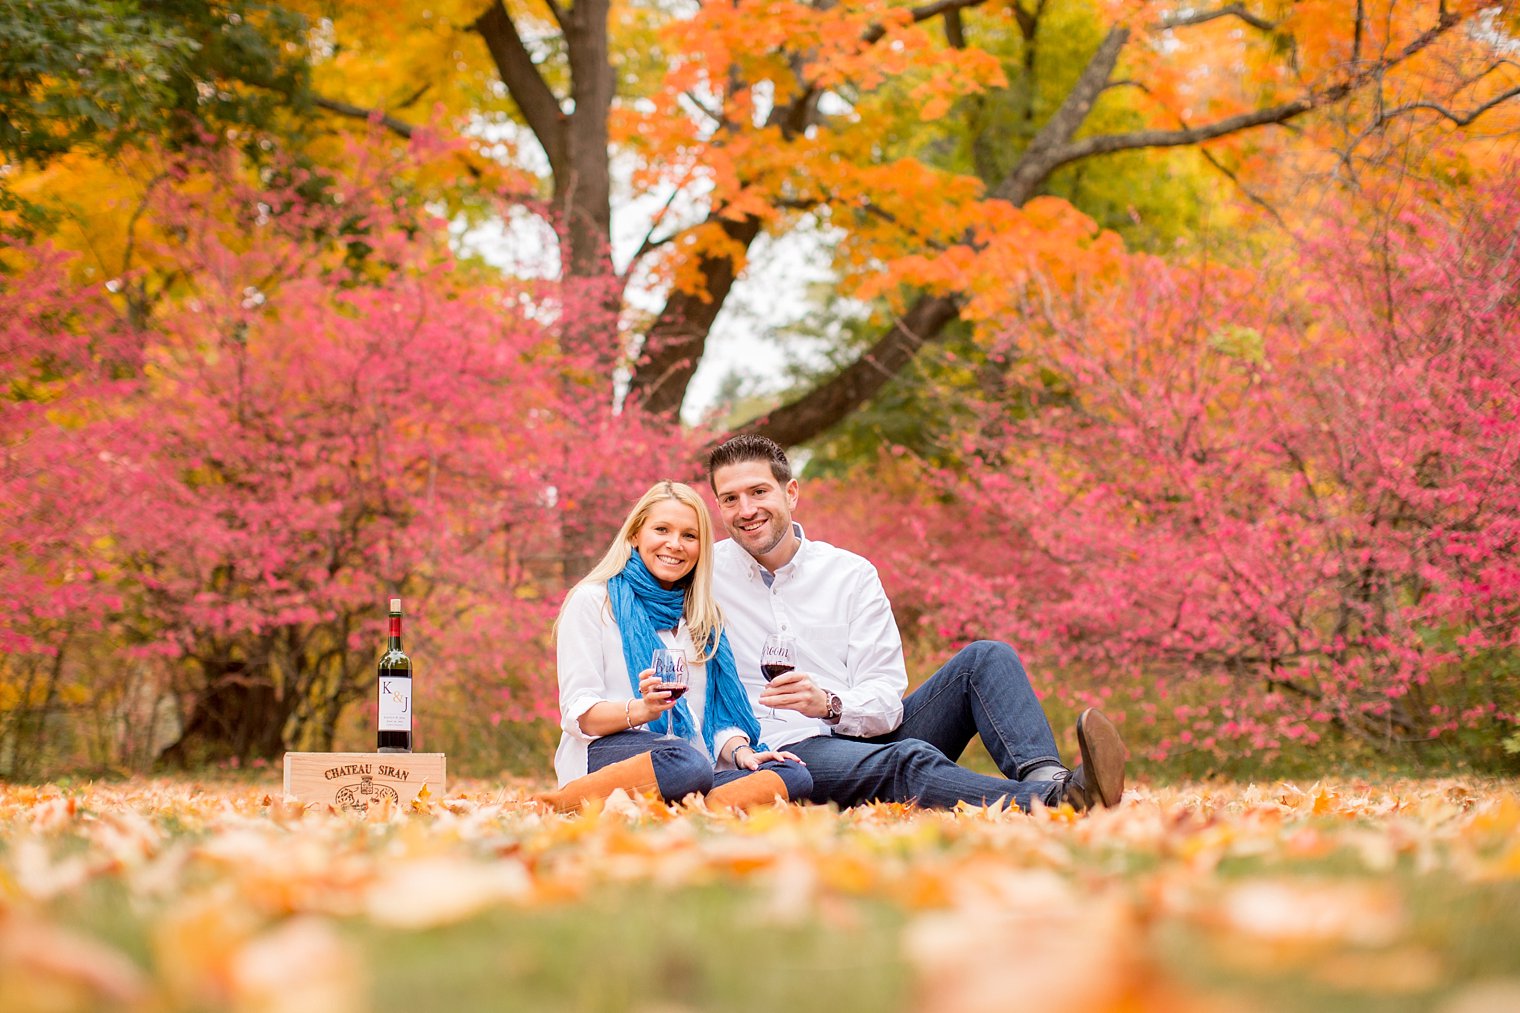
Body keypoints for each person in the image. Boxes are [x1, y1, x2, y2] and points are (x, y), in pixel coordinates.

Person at [706, 434, 1126, 812]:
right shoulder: (704, 576)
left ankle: (1045, 777)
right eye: (729, 499)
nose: (746, 510)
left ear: (790, 492)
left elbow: (887, 699)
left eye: (758, 491)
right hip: (786, 749)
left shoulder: (850, 574)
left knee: (987, 658)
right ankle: (1060, 801)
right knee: (905, 759)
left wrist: (830, 704)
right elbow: (648, 560)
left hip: (860, 727)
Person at [535, 480, 811, 813]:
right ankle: (558, 804)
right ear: (636, 535)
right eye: (662, 530)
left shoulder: (702, 616)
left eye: (689, 536)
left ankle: (693, 809)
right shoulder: (594, 601)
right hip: (611, 754)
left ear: (701, 547)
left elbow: (714, 719)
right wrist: (643, 709)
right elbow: (579, 714)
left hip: (692, 763)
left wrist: (742, 753)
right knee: (683, 762)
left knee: (794, 773)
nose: (675, 544)